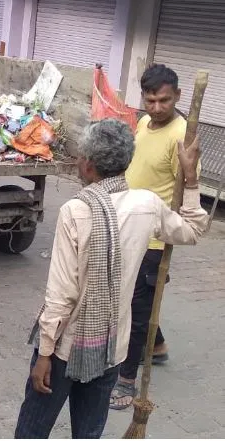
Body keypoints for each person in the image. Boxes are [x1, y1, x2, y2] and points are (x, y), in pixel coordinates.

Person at [14, 119, 207, 439]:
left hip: (65, 348)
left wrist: (45, 353)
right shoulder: (146, 204)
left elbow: (62, 293)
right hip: (110, 348)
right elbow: (192, 230)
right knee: (89, 432)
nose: (77, 161)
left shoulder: (76, 210)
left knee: (31, 431)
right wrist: (190, 178)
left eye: (79, 156)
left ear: (89, 165)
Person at [109, 64, 200, 410]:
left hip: (154, 240)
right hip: (128, 228)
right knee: (138, 301)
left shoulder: (184, 138)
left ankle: (127, 379)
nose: (157, 107)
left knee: (134, 308)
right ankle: (157, 346)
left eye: (164, 100)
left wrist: (170, 235)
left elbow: (188, 194)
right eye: (151, 100)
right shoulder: (144, 123)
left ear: (177, 96)